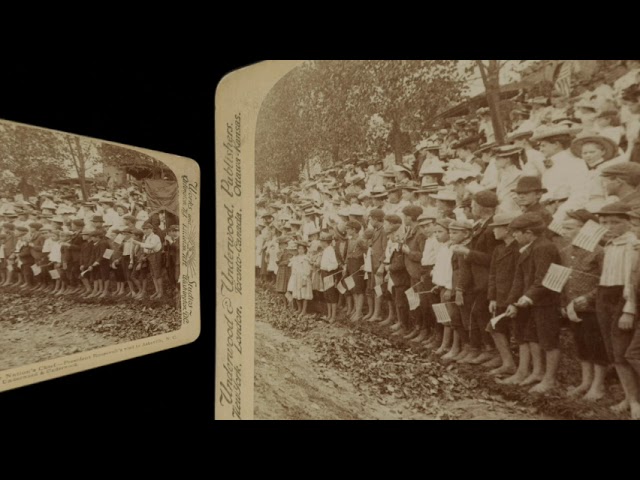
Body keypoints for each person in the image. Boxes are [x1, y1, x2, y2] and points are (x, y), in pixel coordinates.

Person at [504, 213, 562, 394]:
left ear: (528, 232)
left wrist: (528, 297)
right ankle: (534, 372)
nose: (514, 236)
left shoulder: (544, 248)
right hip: (531, 301)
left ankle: (550, 379)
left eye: (516, 233)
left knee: (548, 340)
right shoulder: (529, 248)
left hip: (546, 301)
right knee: (531, 336)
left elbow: (543, 278)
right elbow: (519, 279)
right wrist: (512, 302)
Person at [595, 202, 640, 419]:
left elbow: (631, 280)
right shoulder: (609, 245)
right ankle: (628, 396)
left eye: (615, 222)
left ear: (628, 222)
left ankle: (635, 401)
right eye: (604, 223)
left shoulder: (632, 245)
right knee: (613, 351)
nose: (609, 226)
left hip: (622, 297)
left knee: (623, 351)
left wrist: (628, 309)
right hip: (604, 295)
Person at [558, 209, 609, 401]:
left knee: (596, 345)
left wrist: (589, 298)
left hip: (592, 308)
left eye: (570, 228)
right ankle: (586, 382)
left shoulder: (599, 252)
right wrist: (564, 303)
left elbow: (605, 281)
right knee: (582, 344)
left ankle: (599, 385)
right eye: (564, 228)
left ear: (585, 229)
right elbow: (562, 280)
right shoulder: (565, 251)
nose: (565, 232)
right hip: (573, 309)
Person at [454, 190, 500, 365]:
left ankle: (492, 351)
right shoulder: (481, 225)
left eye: (473, 204)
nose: (471, 208)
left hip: (486, 279)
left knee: (481, 313)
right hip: (477, 279)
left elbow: (492, 258)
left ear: (481, 206)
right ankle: (483, 349)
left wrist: (468, 252)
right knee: (477, 314)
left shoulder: (491, 229)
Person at [487, 213, 520, 377]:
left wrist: (513, 300)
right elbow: (492, 274)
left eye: (496, 228)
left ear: (507, 230)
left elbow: (518, 276)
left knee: (518, 332)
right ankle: (508, 363)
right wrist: (492, 297)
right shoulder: (498, 249)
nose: (494, 231)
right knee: (494, 326)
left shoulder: (518, 249)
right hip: (500, 296)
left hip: (513, 297)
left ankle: (515, 365)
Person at [570, 134, 625, 212]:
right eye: (585, 153)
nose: (588, 155)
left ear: (603, 152)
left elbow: (611, 195)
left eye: (592, 152)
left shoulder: (607, 169)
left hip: (600, 208)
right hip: (585, 207)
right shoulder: (587, 172)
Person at [400, 205, 425, 339]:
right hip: (411, 271)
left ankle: (422, 330)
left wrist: (409, 252)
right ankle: (417, 327)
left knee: (420, 303)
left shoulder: (420, 233)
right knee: (414, 301)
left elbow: (423, 255)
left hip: (418, 273)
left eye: (405, 216)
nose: (403, 219)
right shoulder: (410, 231)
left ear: (410, 217)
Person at [365, 208, 387, 322]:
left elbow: (385, 250)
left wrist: (382, 265)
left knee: (378, 289)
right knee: (374, 288)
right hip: (373, 264)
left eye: (371, 220)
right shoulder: (375, 230)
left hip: (379, 265)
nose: (370, 222)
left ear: (375, 219)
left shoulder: (383, 231)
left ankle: (378, 313)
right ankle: (374, 312)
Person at [131, 222, 163, 300]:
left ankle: (161, 292)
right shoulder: (146, 237)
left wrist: (138, 243)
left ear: (151, 229)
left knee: (157, 274)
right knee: (153, 274)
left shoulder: (155, 237)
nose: (145, 231)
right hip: (149, 255)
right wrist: (144, 256)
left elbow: (151, 246)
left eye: (147, 229)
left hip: (155, 255)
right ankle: (157, 291)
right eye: (144, 229)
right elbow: (144, 249)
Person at [344, 220, 368, 322]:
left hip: (358, 265)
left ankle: (359, 312)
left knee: (359, 289)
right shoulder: (350, 240)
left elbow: (367, 252)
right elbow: (348, 254)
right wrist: (345, 265)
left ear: (354, 230)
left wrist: (365, 264)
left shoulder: (360, 240)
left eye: (348, 229)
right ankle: (356, 309)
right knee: (353, 288)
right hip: (350, 264)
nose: (346, 230)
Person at [319, 232, 341, 323]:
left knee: (331, 295)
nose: (321, 243)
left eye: (322, 241)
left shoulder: (331, 250)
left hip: (329, 273)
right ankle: (329, 315)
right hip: (324, 273)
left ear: (325, 242)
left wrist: (327, 269)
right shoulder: (325, 250)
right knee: (327, 295)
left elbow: (335, 264)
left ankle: (333, 316)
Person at [288, 241, 313, 317]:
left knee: (304, 294)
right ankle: (299, 308)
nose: (300, 250)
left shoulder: (306, 258)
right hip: (296, 277)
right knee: (297, 293)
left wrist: (305, 277)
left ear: (305, 250)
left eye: (302, 249)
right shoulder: (295, 258)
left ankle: (304, 310)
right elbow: (293, 268)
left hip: (303, 277)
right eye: (299, 249)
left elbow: (308, 270)